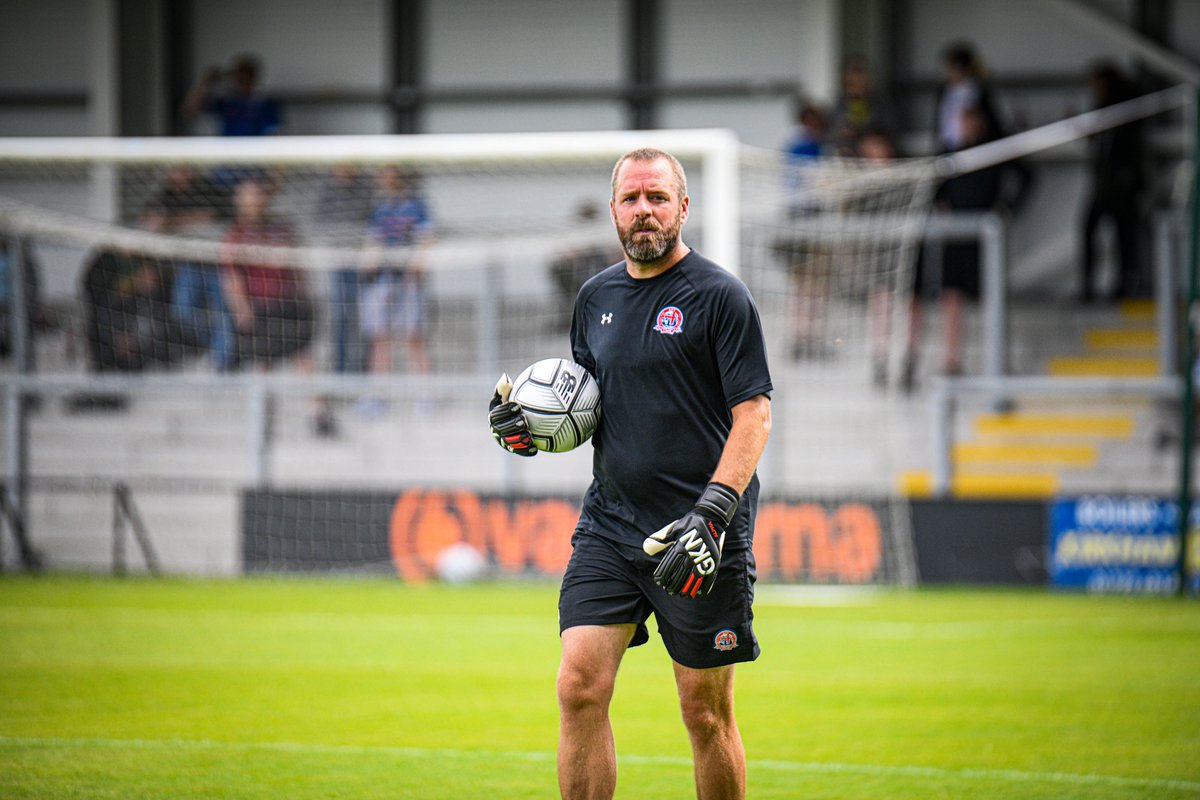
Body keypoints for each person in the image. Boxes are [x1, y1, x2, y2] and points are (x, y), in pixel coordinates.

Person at [488, 148, 773, 799]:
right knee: (578, 686)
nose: (644, 210)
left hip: (699, 532)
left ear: (683, 208)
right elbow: (586, 407)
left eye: (657, 198)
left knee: (704, 711)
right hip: (610, 527)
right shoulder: (594, 298)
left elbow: (754, 416)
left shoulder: (721, 298)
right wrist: (526, 430)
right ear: (614, 210)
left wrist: (713, 514)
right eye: (632, 199)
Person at [905, 106, 1033, 387]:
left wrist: (1006, 208)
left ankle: (998, 360)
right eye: (964, 121)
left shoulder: (993, 153)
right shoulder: (949, 154)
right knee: (951, 297)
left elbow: (1027, 176)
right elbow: (931, 189)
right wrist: (940, 208)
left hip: (987, 239)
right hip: (955, 237)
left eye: (974, 120)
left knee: (991, 299)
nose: (969, 126)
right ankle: (952, 361)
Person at [357, 166, 433, 416]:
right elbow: (374, 241)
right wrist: (368, 263)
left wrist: (417, 265)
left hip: (409, 281)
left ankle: (424, 396)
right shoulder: (380, 209)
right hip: (384, 279)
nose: (384, 178)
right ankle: (377, 396)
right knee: (380, 338)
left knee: (413, 337)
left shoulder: (416, 206)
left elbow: (426, 239)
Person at [1080, 61, 1145, 303]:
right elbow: (1096, 144)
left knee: (1124, 236)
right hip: (1102, 185)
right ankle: (1088, 284)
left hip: (1122, 185)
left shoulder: (1125, 109)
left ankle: (1125, 283)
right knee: (1088, 230)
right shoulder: (1100, 109)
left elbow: (1128, 146)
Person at [547, 201, 621, 330]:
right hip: (578, 274)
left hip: (599, 272)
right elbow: (562, 255)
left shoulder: (606, 231)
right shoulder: (574, 234)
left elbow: (615, 252)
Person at [829, 55, 896, 157]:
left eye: (860, 80)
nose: (857, 85)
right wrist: (843, 130)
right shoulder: (841, 103)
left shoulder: (879, 102)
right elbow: (831, 129)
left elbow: (888, 127)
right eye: (853, 82)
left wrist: (865, 131)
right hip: (846, 146)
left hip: (872, 145)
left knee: (878, 150)